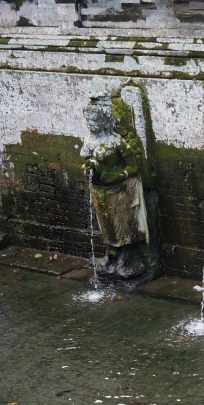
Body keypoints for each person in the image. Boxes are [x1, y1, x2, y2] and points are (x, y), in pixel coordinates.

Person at [81, 91, 150, 279]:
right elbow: (88, 160)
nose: (91, 126)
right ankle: (112, 251)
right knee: (105, 223)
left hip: (119, 192)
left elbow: (133, 167)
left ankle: (126, 256)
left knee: (122, 225)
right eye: (89, 122)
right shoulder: (89, 140)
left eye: (95, 122)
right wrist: (89, 169)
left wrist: (115, 176)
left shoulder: (117, 142)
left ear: (105, 121)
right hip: (99, 190)